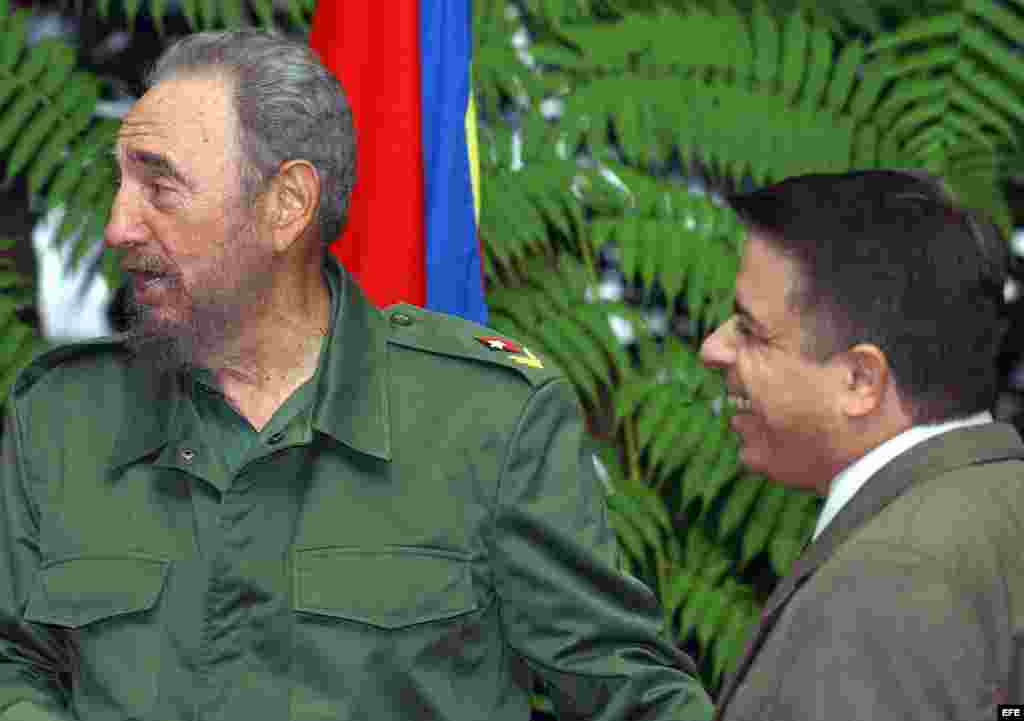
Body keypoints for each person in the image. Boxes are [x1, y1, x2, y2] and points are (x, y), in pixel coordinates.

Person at [0, 29, 713, 721]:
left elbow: (633, 694)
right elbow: (15, 663)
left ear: (287, 205)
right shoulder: (63, 417)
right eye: (120, 183)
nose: (117, 226)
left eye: (160, 187)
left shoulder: (487, 421)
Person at [700, 169, 1023, 719]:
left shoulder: (886, 588)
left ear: (859, 381)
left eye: (750, 331)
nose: (713, 349)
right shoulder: (996, 498)